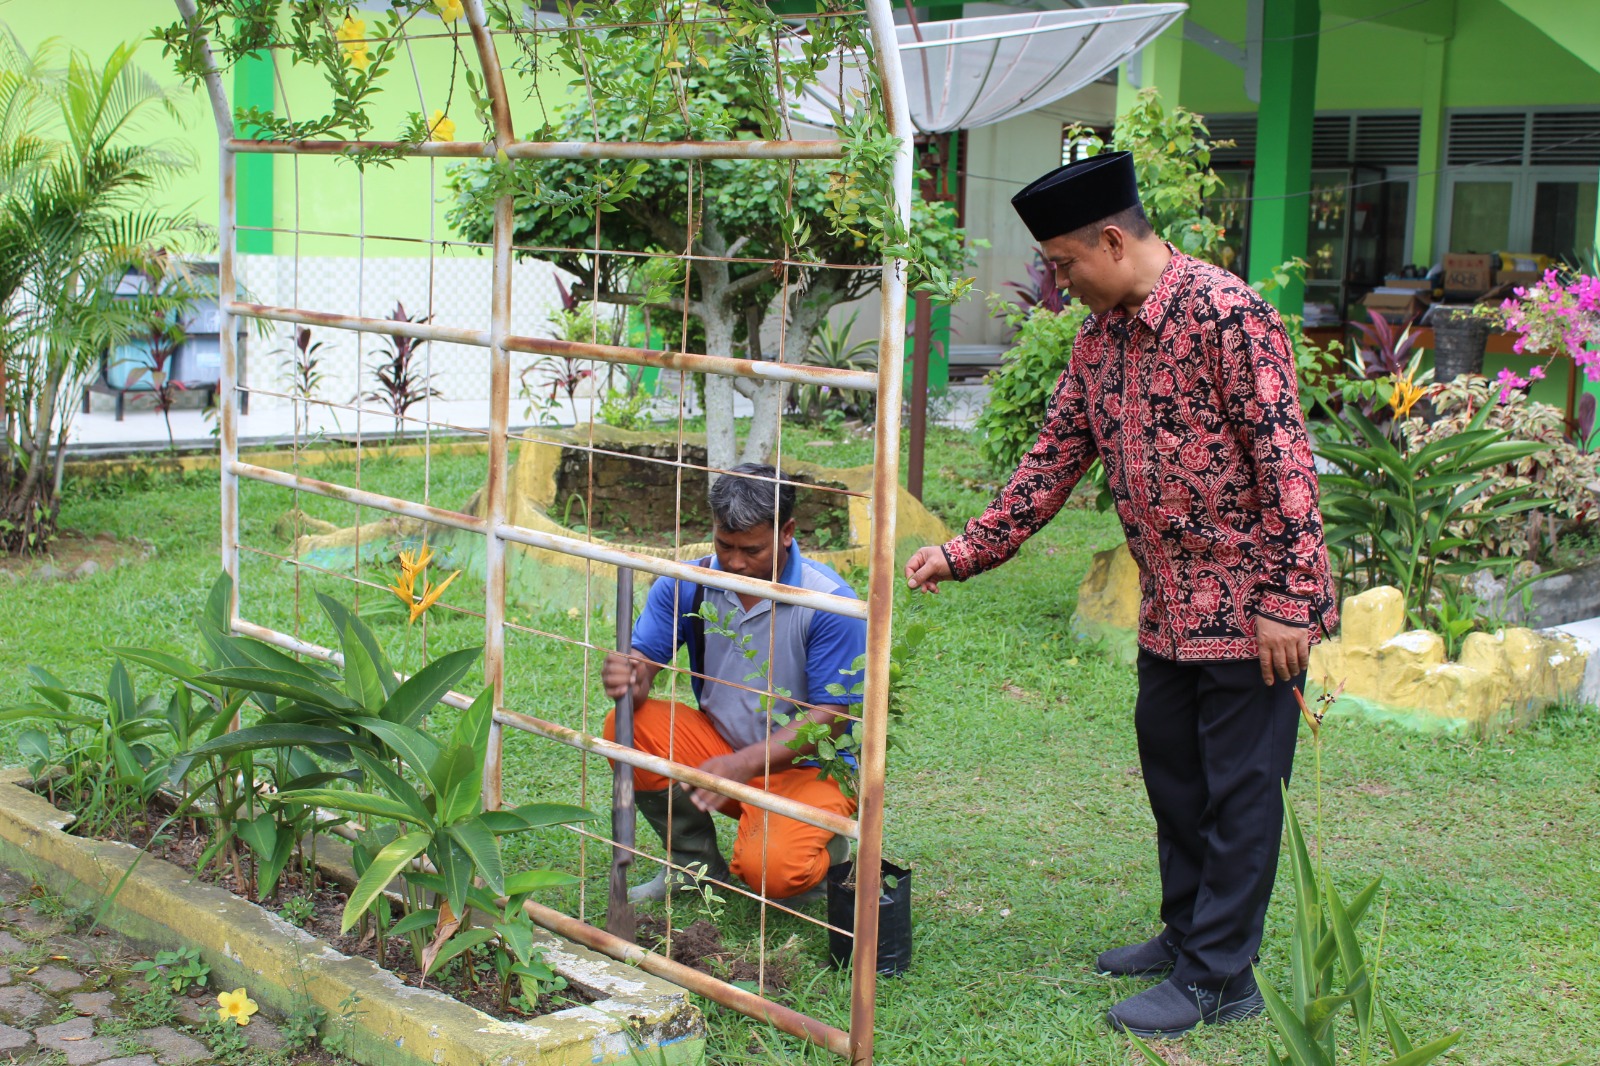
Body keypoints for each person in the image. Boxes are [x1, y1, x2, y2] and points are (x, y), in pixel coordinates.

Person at [903, 151, 1338, 1038]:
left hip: (1253, 615)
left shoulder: (1228, 315)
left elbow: (1286, 460)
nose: (1058, 285)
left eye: (1063, 265)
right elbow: (1051, 461)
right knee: (1176, 780)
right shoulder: (1097, 342)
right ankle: (1187, 935)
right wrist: (965, 551)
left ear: (1112, 240)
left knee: (1242, 796)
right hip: (1168, 611)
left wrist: (1291, 600)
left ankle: (1220, 978)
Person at [602, 463, 862, 904]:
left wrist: (742, 764)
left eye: (752, 549)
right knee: (626, 725)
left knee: (772, 876)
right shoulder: (687, 583)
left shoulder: (830, 603)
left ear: (787, 532)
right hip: (720, 752)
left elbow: (831, 719)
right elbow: (644, 663)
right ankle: (693, 866)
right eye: (725, 545)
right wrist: (631, 675)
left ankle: (827, 853)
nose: (735, 562)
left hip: (809, 769)